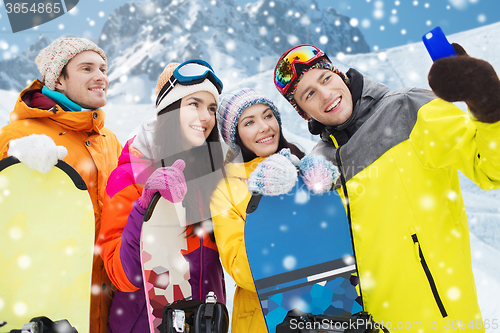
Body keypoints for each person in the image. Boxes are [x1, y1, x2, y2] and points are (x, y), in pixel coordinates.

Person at [272, 44, 500, 331]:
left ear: (339, 75)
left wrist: (489, 104)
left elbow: (490, 168)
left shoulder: (408, 109)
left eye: (325, 78)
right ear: (303, 113)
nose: (325, 94)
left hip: (442, 321)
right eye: (309, 94)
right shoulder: (319, 163)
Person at [0, 37, 122, 333]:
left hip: (105, 299)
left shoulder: (110, 141)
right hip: (48, 305)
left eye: (103, 69)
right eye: (86, 68)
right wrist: (13, 160)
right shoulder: (16, 135)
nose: (100, 77)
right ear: (59, 80)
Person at [97, 60, 227, 332]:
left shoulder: (212, 173)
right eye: (194, 104)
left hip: (204, 322)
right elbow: (122, 276)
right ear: (168, 109)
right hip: (146, 324)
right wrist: (145, 207)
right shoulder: (127, 174)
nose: (205, 117)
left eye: (211, 108)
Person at [210, 88, 307, 332]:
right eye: (249, 122)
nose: (264, 127)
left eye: (267, 115)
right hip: (264, 319)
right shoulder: (227, 189)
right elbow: (240, 268)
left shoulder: (303, 164)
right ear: (236, 136)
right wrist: (272, 203)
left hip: (324, 304)